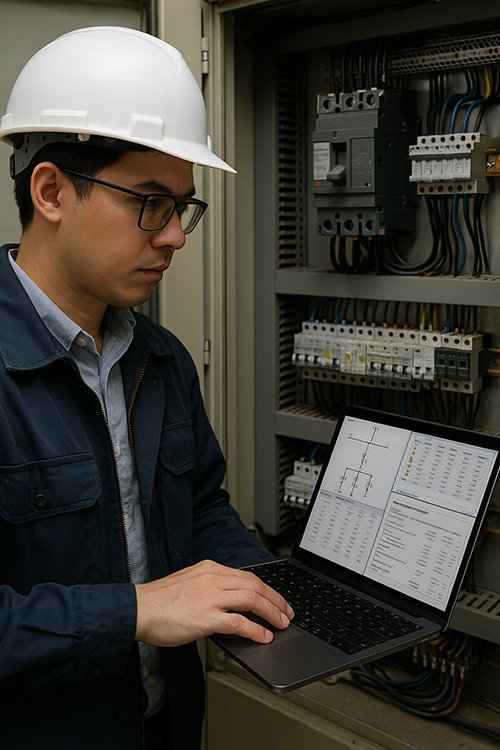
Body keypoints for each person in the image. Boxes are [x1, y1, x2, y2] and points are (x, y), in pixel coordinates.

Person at [0, 27, 293, 750]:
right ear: (51, 191)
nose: (175, 237)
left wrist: (268, 591)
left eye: (183, 207)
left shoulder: (158, 359)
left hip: (164, 726)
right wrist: (132, 612)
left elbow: (199, 506)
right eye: (150, 202)